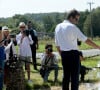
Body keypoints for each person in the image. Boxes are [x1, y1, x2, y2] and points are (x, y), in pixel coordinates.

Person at [55, 9, 100, 90]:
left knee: (66, 77)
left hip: (64, 54)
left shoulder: (58, 27)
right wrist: (98, 47)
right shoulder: (72, 27)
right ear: (71, 17)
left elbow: (57, 45)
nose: (77, 21)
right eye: (76, 19)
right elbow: (86, 40)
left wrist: (62, 55)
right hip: (73, 54)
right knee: (75, 79)